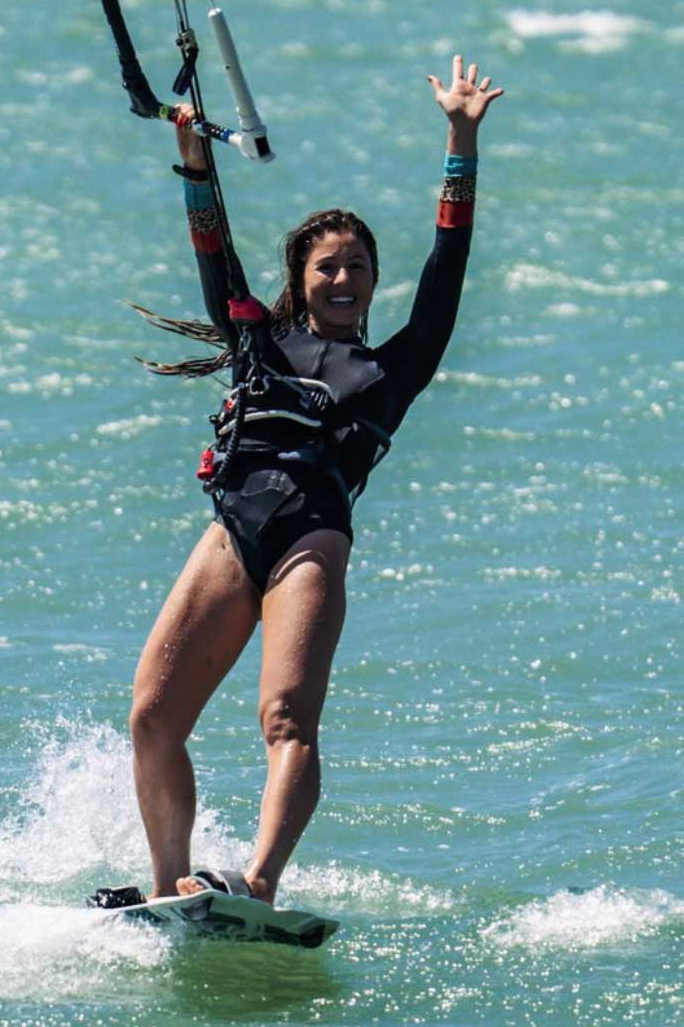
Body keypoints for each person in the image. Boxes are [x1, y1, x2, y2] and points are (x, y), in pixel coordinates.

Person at [126, 55, 503, 906]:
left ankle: (258, 884)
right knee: (152, 716)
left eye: (359, 266)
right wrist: (194, 159)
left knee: (286, 719)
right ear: (300, 280)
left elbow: (448, 264)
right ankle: (166, 887)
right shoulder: (255, 340)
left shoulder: (394, 368)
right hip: (232, 534)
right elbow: (213, 250)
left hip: (310, 541)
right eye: (328, 266)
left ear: (374, 283)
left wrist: (461, 141)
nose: (343, 279)